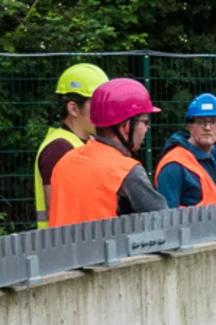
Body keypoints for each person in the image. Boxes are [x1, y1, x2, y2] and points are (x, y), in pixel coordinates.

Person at [47, 78, 167, 227]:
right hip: (106, 243)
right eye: (145, 122)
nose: (147, 128)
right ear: (127, 126)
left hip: (63, 243)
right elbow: (166, 223)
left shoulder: (64, 163)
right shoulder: (126, 171)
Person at [34, 63, 108, 228]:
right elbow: (58, 213)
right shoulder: (59, 149)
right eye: (97, 105)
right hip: (68, 243)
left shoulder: (85, 143)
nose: (104, 111)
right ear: (73, 109)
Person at [154, 93, 216, 208]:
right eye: (201, 121)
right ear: (190, 126)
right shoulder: (173, 165)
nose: (207, 128)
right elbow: (165, 215)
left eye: (213, 121)